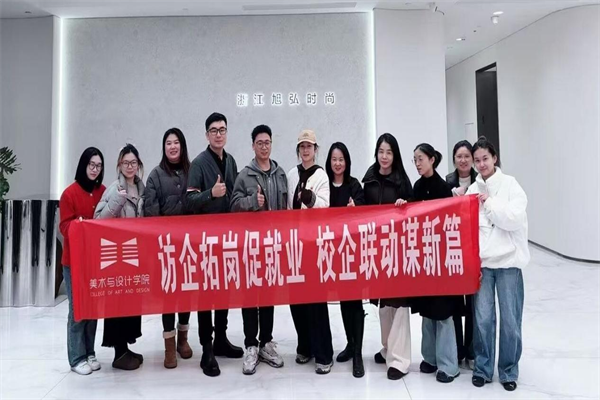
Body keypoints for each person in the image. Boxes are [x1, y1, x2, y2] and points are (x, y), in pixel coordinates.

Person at [467, 136, 529, 392]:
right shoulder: (472, 189)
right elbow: (466, 228)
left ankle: (508, 370)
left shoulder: (511, 185)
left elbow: (514, 218)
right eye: (477, 160)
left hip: (509, 263)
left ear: (494, 158)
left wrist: (490, 204)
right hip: (483, 264)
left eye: (485, 158)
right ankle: (482, 368)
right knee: (483, 319)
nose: (481, 164)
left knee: (510, 320)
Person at [186, 112, 243, 377]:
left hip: (226, 239)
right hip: (204, 241)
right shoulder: (198, 163)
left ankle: (221, 339)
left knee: (223, 290)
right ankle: (206, 349)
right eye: (214, 130)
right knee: (205, 295)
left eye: (222, 130)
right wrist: (211, 193)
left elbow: (234, 197)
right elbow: (189, 202)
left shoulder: (230, 161)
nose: (219, 134)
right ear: (207, 135)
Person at [230, 124, 288, 375]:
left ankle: (266, 342)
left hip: (273, 245)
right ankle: (250, 345)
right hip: (251, 246)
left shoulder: (280, 173)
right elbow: (233, 206)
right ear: (253, 145)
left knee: (268, 295)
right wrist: (253, 202)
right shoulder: (244, 175)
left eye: (268, 142)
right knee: (250, 296)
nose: (264, 147)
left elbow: (285, 209)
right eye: (260, 143)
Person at [362, 133, 413, 380]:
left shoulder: (402, 181)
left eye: (389, 152)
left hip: (398, 248)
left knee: (399, 303)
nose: (384, 156)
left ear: (395, 155)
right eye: (381, 151)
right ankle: (388, 348)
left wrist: (406, 205)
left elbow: (415, 210)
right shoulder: (369, 179)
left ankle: (399, 360)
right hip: (377, 249)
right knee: (383, 304)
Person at [411, 143, 462, 383]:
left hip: (442, 260)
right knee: (427, 311)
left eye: (420, 158)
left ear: (432, 160)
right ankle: (430, 358)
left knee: (443, 312)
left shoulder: (444, 188)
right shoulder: (417, 187)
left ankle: (449, 365)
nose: (417, 163)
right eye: (415, 160)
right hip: (424, 258)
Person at [144, 128, 193, 369]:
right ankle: (169, 346)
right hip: (166, 247)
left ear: (182, 146)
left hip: (189, 245)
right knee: (168, 296)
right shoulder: (155, 175)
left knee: (186, 294)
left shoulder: (193, 171)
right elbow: (150, 211)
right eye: (168, 143)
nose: (172, 147)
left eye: (176, 142)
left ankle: (183, 339)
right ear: (164, 148)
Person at [94, 144, 145, 370]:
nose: (130, 167)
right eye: (126, 163)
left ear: (139, 165)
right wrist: (117, 200)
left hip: (135, 254)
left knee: (131, 303)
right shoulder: (113, 189)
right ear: (119, 165)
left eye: (133, 163)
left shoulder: (142, 189)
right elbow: (98, 219)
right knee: (117, 302)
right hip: (117, 255)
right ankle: (118, 352)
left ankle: (125, 347)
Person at [286, 129, 333, 374]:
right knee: (296, 299)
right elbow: (287, 208)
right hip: (294, 245)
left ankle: (323, 353)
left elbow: (326, 207)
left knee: (316, 300)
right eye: (302, 146)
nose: (306, 150)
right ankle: (304, 346)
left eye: (309, 146)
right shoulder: (292, 174)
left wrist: (311, 199)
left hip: (314, 245)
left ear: (316, 149)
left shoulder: (321, 175)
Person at [59, 147, 106, 375]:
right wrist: (80, 225)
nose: (95, 170)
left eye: (99, 166)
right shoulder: (69, 194)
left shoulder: (103, 191)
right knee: (77, 309)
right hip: (74, 262)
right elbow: (64, 226)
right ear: (83, 165)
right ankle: (76, 357)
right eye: (91, 165)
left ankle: (90, 352)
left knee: (92, 308)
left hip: (95, 260)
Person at [325, 142, 366, 378]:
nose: (338, 163)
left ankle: (358, 353)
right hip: (333, 253)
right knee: (343, 301)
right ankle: (350, 344)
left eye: (341, 159)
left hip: (352, 251)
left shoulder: (354, 185)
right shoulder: (324, 185)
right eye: (334, 159)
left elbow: (364, 210)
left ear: (347, 162)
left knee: (355, 302)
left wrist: (355, 208)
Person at [445, 140, 477, 369]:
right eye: (459, 156)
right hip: (454, 247)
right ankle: (456, 350)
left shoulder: (481, 181)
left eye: (467, 156)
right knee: (455, 303)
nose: (463, 160)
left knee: (475, 303)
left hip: (474, 247)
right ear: (454, 159)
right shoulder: (447, 182)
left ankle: (473, 351)